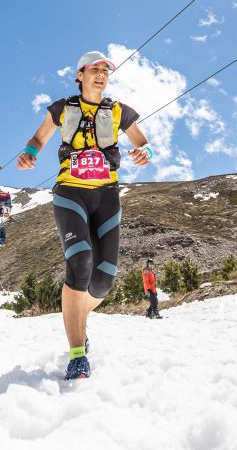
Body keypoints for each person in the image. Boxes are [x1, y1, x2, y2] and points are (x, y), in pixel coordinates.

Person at [17, 50, 152, 380]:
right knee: (79, 264)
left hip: (106, 195)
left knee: (104, 280)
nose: (101, 74)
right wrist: (30, 153)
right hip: (70, 193)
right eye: (95, 69)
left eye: (106, 70)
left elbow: (143, 142)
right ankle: (78, 354)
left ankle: (76, 317)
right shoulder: (63, 108)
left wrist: (142, 152)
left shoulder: (119, 111)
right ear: (80, 75)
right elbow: (38, 138)